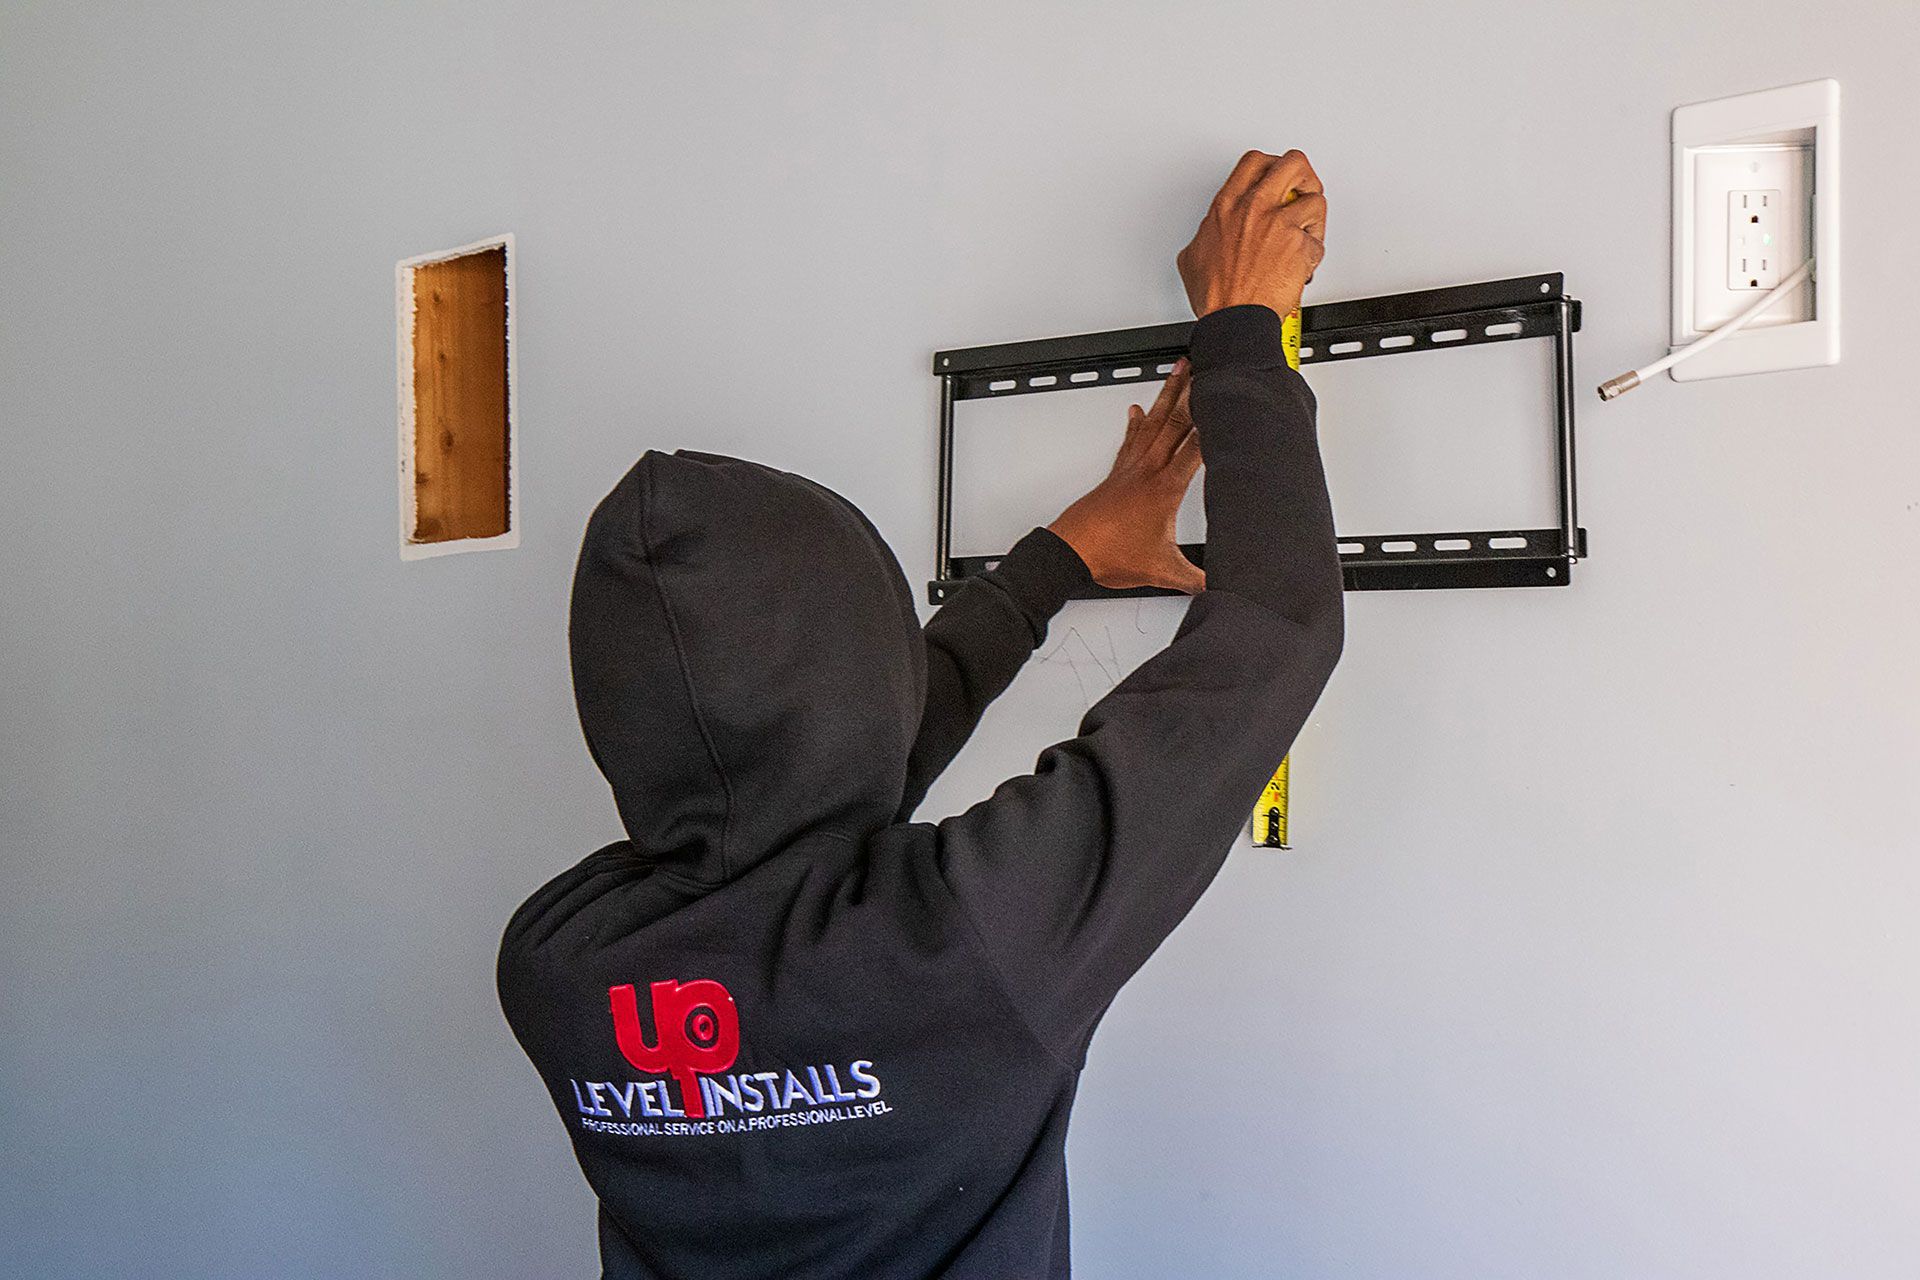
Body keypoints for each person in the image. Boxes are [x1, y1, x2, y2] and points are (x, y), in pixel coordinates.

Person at [497, 148, 1340, 1279]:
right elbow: (1275, 634)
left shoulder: (556, 958)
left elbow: (815, 779)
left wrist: (1063, 556)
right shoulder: (964, 939)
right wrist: (1244, 331)